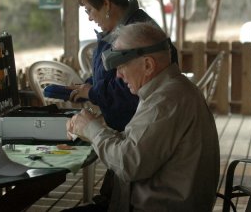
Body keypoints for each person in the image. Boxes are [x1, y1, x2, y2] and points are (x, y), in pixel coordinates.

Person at [66, 23, 220, 212]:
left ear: (147, 65)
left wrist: (91, 129)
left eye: (121, 65)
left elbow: (128, 164)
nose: (118, 75)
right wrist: (93, 127)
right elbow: (140, 143)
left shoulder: (165, 101)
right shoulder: (171, 89)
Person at [69, 0, 178, 132]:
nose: (90, 18)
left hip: (141, 130)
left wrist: (92, 92)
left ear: (106, 4)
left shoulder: (137, 36)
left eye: (90, 10)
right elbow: (109, 75)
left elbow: (130, 92)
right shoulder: (115, 31)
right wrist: (87, 86)